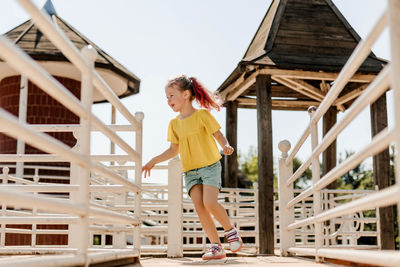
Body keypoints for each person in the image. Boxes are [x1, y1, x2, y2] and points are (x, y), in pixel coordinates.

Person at [142, 75, 243, 260]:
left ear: (186, 94)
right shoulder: (173, 124)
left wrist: (225, 145)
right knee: (199, 206)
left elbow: (218, 135)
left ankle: (230, 230)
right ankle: (216, 247)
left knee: (209, 202)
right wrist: (154, 160)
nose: (168, 101)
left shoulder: (202, 115)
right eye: (166, 98)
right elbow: (173, 150)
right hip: (190, 171)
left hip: (210, 166)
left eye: (171, 96)